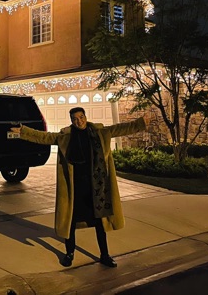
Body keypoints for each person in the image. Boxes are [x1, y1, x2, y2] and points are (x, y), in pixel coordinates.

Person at [10, 107, 146, 268]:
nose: (78, 121)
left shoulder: (100, 132)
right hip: (74, 187)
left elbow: (121, 128)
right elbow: (44, 137)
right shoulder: (66, 136)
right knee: (71, 222)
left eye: (81, 117)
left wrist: (141, 123)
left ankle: (105, 255)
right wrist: (23, 131)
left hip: (96, 187)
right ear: (71, 121)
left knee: (100, 222)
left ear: (85, 117)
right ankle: (69, 254)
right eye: (75, 119)